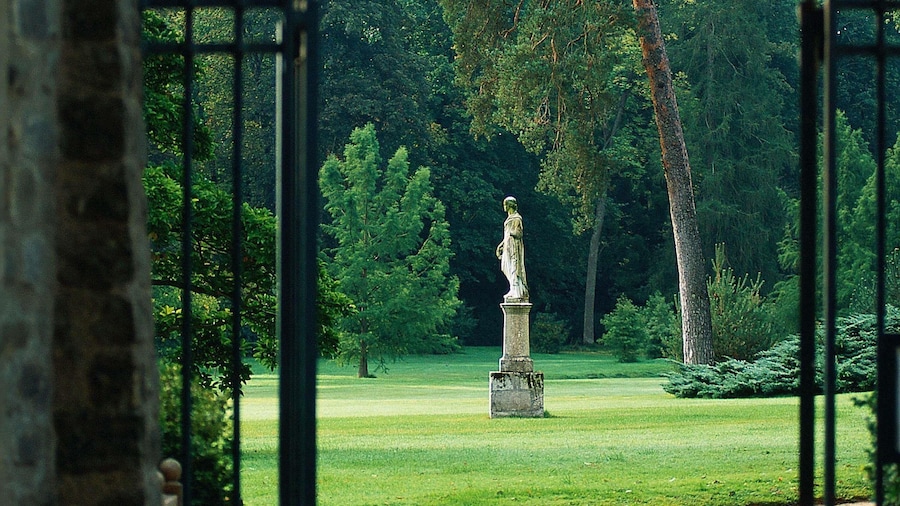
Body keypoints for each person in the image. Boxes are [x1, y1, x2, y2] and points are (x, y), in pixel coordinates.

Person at [495, 196, 529, 302]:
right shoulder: (509, 218)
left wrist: (511, 234)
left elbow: (519, 233)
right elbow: (506, 235)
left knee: (514, 267)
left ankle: (516, 290)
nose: (504, 207)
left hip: (514, 247)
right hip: (507, 246)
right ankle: (512, 288)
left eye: (505, 204)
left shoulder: (516, 218)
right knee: (505, 267)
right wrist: (501, 245)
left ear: (509, 205)